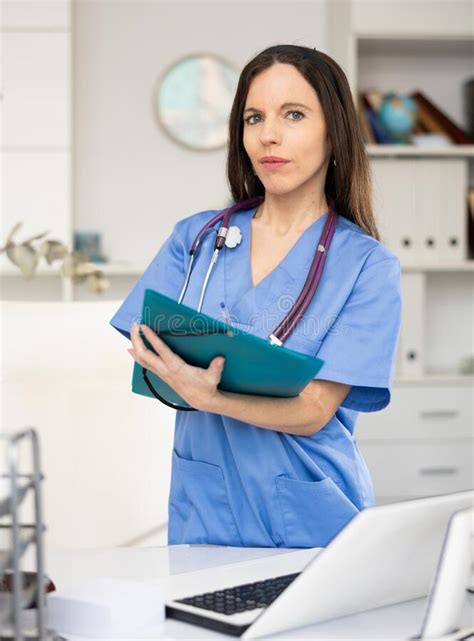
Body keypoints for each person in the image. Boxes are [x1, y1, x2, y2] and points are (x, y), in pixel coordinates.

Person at [109, 44, 402, 549]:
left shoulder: (367, 267)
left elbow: (314, 409)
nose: (269, 134)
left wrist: (210, 396)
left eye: (294, 115)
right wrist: (178, 378)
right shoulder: (195, 240)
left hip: (314, 516)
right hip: (205, 505)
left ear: (334, 132)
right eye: (253, 117)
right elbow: (151, 353)